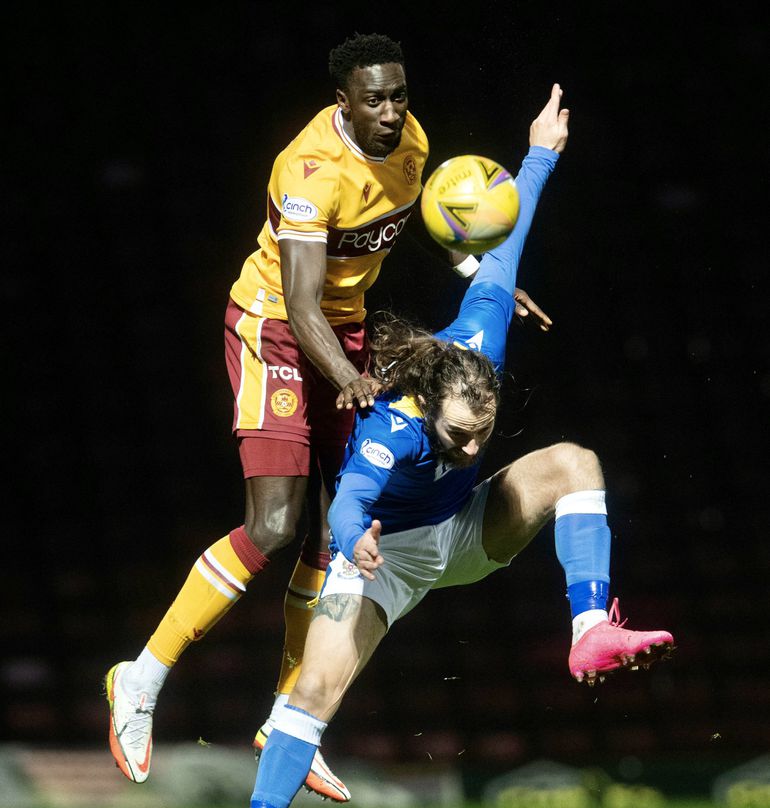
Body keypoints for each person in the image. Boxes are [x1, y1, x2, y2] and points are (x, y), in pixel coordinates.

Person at [103, 31, 546, 800]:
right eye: (374, 99)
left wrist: (485, 274)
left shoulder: (413, 145)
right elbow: (302, 301)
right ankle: (140, 678)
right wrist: (350, 379)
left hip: (345, 332)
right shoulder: (308, 171)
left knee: (336, 532)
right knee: (275, 523)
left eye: (398, 95)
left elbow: (425, 226)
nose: (390, 112)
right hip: (276, 329)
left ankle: (286, 721)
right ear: (343, 101)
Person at [248, 87, 675, 808]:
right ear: (428, 411)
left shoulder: (482, 336)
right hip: (383, 556)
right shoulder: (391, 425)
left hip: (467, 527)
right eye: (458, 435)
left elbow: (508, 240)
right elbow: (350, 501)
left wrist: (540, 154)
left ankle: (590, 629)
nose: (474, 448)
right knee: (312, 692)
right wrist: (355, 541)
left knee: (574, 462)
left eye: (484, 429)